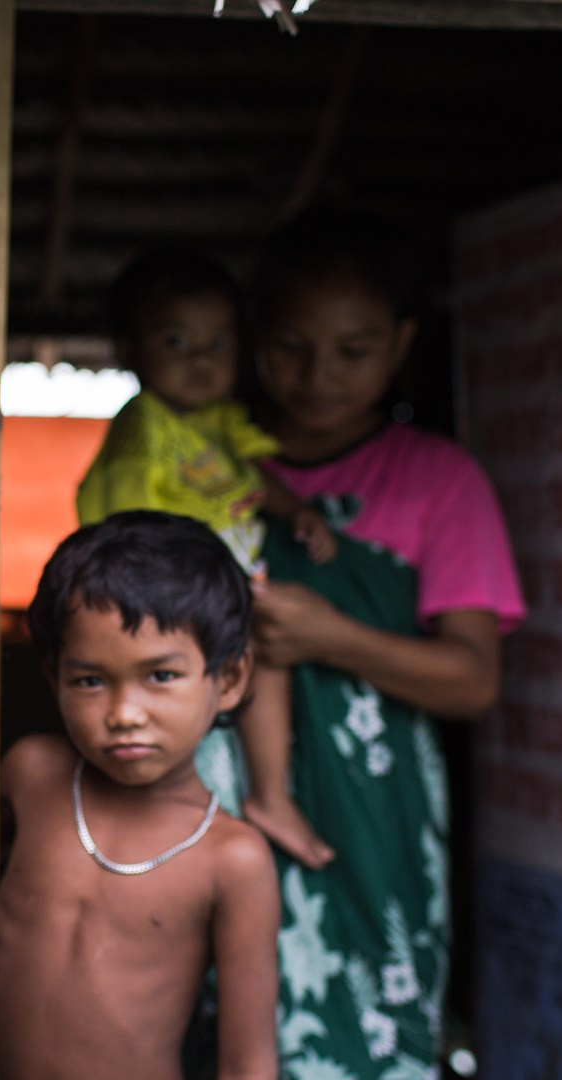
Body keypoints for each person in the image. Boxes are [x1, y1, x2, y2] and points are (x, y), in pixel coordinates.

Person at [240, 214, 525, 1080]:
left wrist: (327, 636)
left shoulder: (434, 479)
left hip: (375, 831)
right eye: (292, 348)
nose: (319, 378)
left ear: (402, 342)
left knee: (376, 1064)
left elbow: (470, 681)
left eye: (353, 349)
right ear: (254, 339)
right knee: (229, 1058)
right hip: (220, 809)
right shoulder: (204, 459)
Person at [0, 512, 282, 1080]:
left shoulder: (234, 860)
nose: (123, 712)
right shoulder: (32, 779)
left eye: (159, 676)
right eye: (89, 679)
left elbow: (249, 1073)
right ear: (51, 674)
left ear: (228, 678)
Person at [75, 248, 337, 871]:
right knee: (250, 658)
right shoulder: (144, 426)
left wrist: (297, 511)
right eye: (177, 341)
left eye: (218, 344)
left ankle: (269, 794)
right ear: (132, 350)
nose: (200, 360)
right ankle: (262, 798)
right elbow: (127, 524)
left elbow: (254, 477)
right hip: (177, 588)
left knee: (266, 654)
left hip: (232, 579)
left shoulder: (222, 421)